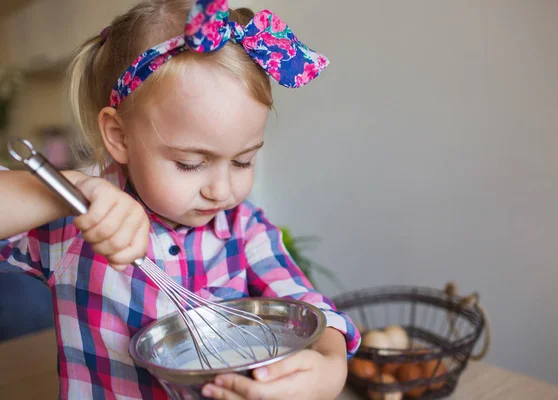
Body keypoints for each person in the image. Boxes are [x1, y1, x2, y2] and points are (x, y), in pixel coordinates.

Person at [0, 0, 360, 399]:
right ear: (119, 136)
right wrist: (69, 193)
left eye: (243, 161)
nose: (221, 191)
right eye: (190, 163)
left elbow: (308, 307)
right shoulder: (74, 227)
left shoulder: (244, 229)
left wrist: (330, 366)